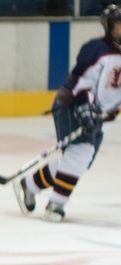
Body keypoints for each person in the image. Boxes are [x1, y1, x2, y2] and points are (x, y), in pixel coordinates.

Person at [12, 5, 121, 223]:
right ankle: (56, 204)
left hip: (100, 116)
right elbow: (81, 82)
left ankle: (30, 184)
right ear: (108, 27)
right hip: (73, 105)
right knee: (80, 153)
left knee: (79, 162)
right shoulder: (96, 49)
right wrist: (86, 107)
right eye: (119, 26)